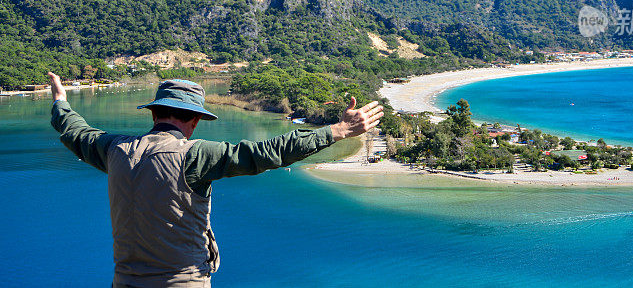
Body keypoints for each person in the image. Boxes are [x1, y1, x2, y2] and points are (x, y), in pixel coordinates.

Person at [47, 73, 383, 287]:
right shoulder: (194, 155)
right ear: (194, 120)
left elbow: (77, 132)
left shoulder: (116, 150)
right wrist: (337, 131)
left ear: (154, 113)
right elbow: (267, 151)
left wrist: (61, 103)